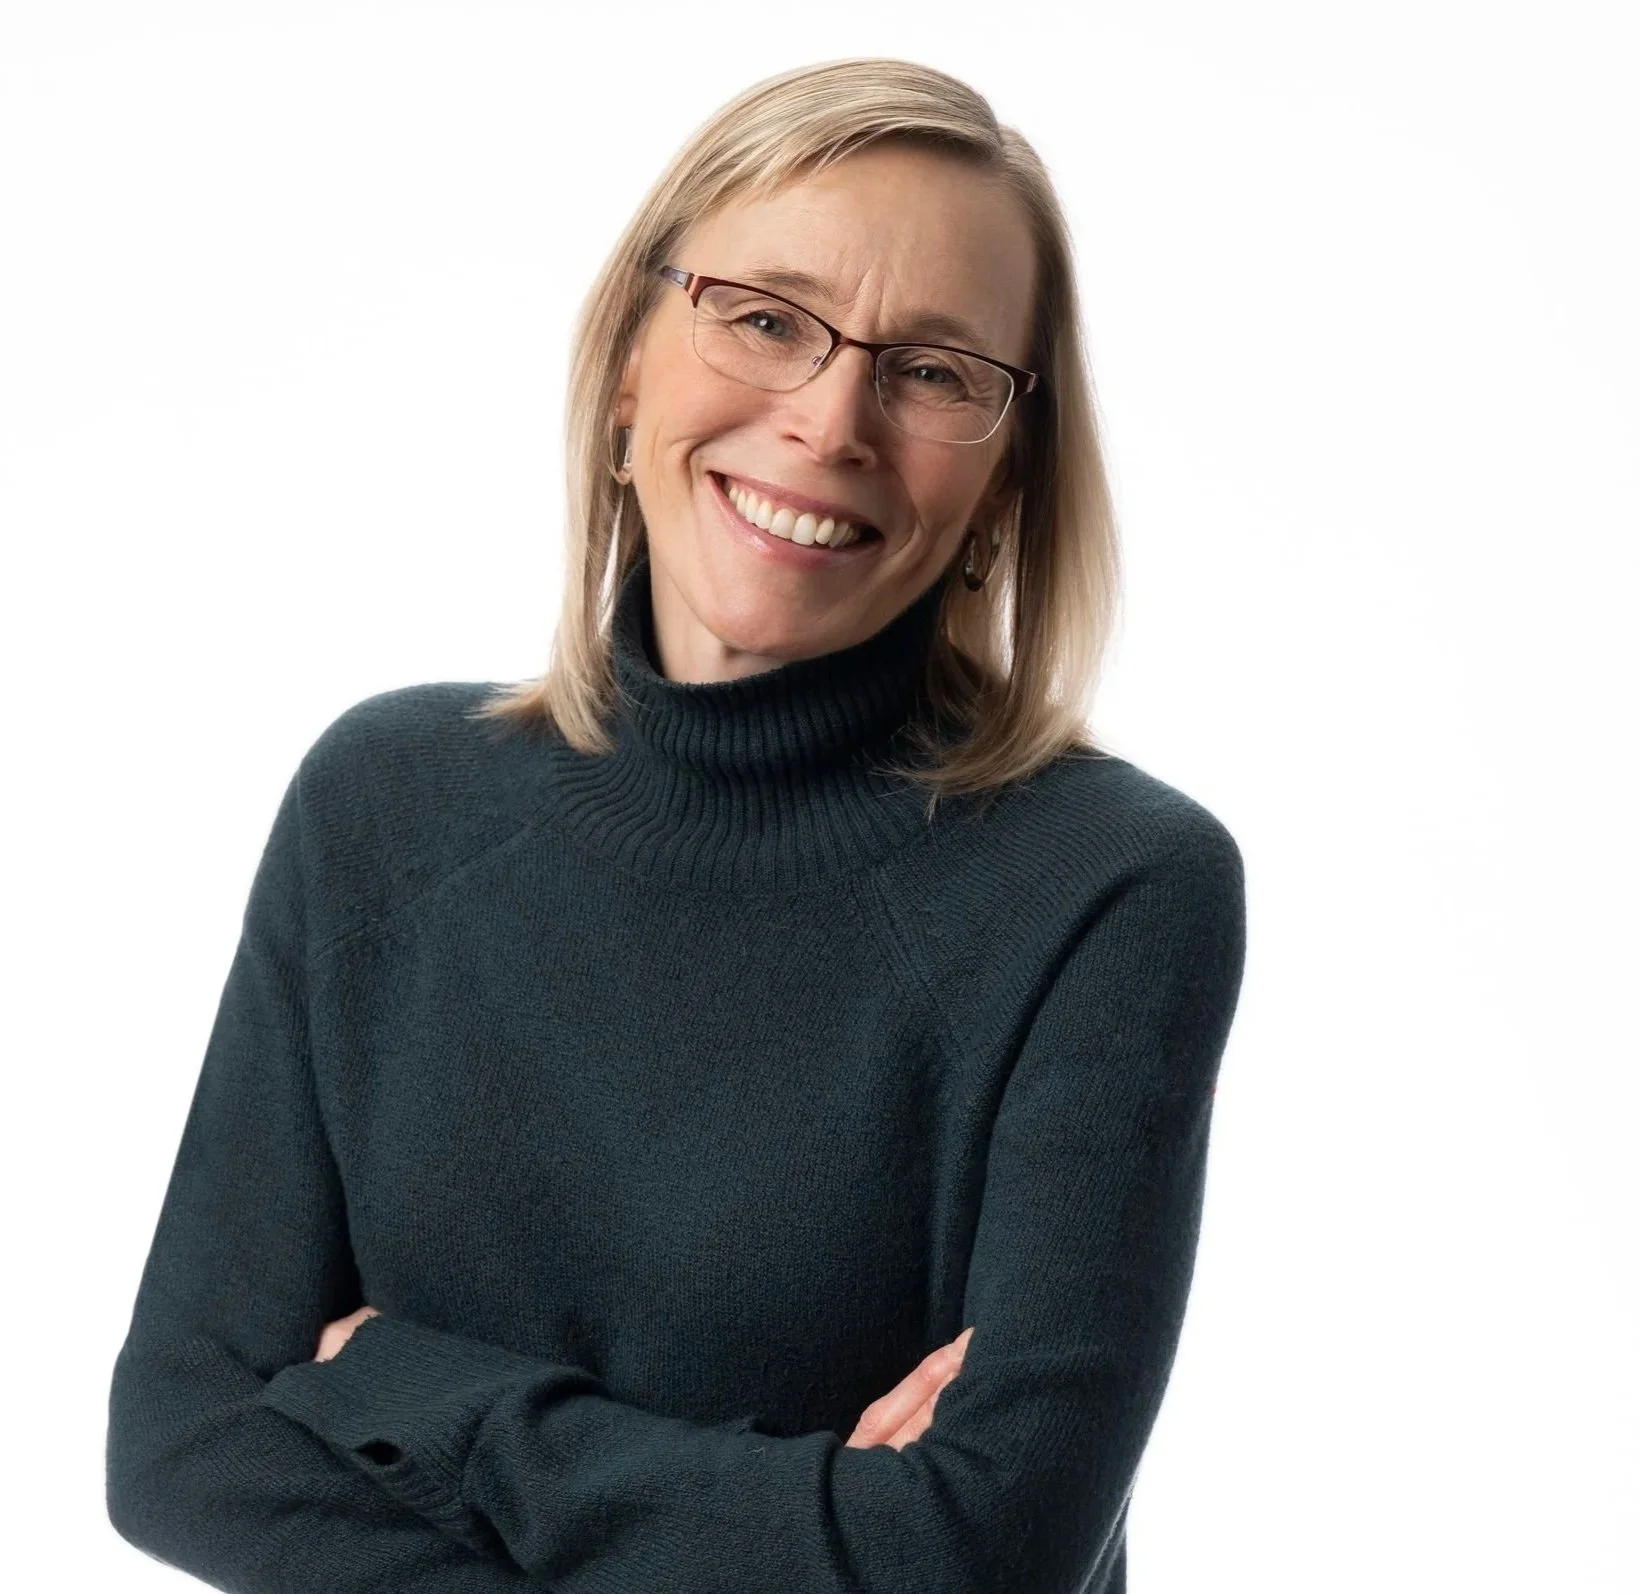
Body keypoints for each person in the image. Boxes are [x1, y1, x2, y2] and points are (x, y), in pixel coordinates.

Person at [105, 56, 1246, 1594]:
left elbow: (975, 1556)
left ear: (1001, 483)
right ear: (632, 360)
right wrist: (802, 1518)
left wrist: (397, 1390)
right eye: (767, 317)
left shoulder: (1115, 888)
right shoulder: (382, 803)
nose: (831, 416)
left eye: (932, 371)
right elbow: (177, 1445)